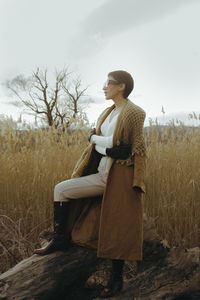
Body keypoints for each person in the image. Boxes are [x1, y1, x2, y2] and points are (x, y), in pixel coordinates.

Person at [34, 70, 146, 298]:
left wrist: (95, 139)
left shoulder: (134, 112)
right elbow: (108, 146)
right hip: (103, 172)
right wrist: (104, 145)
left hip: (122, 176)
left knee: (118, 224)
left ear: (121, 86)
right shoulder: (108, 112)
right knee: (61, 189)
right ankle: (60, 239)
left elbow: (130, 148)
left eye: (108, 83)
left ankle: (116, 280)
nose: (104, 87)